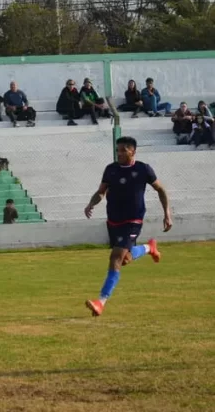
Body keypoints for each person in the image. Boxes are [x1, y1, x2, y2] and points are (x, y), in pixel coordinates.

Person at [83, 136, 172, 317]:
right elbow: (101, 192)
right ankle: (149, 247)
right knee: (125, 259)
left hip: (133, 221)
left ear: (133, 151)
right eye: (118, 150)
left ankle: (101, 302)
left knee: (115, 257)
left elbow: (161, 190)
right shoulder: (111, 169)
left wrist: (167, 214)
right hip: (114, 220)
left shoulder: (143, 169)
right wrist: (92, 203)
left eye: (123, 150)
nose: (120, 153)